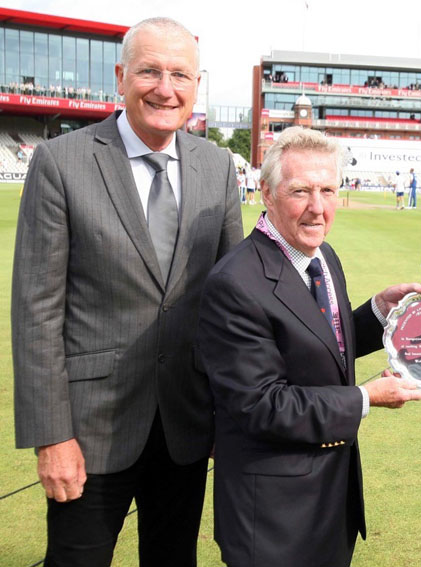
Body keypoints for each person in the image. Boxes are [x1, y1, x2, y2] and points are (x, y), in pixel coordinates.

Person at [11, 17, 243, 567]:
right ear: (121, 76)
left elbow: (233, 300)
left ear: (196, 85)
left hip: (186, 427)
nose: (166, 88)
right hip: (89, 433)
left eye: (180, 74)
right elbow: (36, 312)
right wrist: (52, 437)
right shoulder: (60, 162)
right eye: (150, 71)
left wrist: (231, 412)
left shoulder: (217, 166)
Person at [198, 126, 421, 566]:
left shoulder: (321, 256)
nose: (318, 207)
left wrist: (381, 311)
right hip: (274, 517)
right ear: (267, 194)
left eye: (328, 189)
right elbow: (262, 405)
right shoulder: (235, 283)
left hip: (331, 502)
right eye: (301, 191)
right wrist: (366, 398)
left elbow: (318, 341)